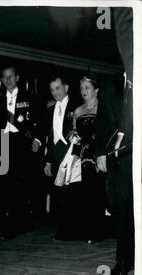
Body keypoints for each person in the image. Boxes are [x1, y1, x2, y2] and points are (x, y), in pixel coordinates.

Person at [96, 7, 134, 275]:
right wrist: (101, 153)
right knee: (122, 211)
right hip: (120, 160)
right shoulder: (111, 87)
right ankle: (124, 261)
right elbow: (102, 124)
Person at [0, 66, 38, 238]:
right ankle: (8, 226)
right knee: (4, 187)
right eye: (4, 77)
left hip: (21, 146)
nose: (8, 80)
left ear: (17, 77)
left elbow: (39, 122)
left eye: (11, 77)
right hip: (2, 144)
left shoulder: (29, 98)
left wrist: (37, 140)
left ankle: (22, 222)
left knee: (22, 186)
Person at [36, 75, 78, 240]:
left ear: (66, 88)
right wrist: (48, 160)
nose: (55, 93)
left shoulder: (76, 106)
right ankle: (63, 229)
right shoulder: (50, 110)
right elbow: (49, 137)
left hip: (71, 152)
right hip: (55, 154)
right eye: (52, 89)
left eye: (57, 88)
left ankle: (71, 229)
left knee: (70, 192)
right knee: (58, 193)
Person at [66, 75, 106, 242]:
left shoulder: (103, 108)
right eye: (82, 88)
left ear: (96, 90)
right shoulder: (78, 110)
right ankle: (85, 230)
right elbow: (72, 131)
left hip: (99, 153)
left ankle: (97, 231)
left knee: (98, 191)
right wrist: (72, 136)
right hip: (82, 154)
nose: (83, 91)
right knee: (83, 192)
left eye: (87, 87)